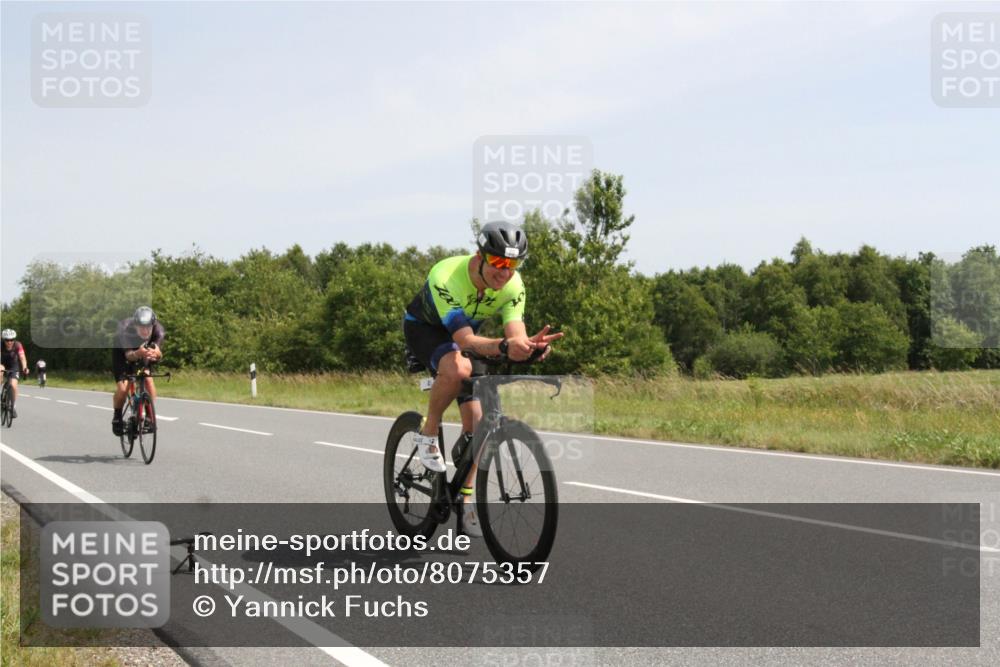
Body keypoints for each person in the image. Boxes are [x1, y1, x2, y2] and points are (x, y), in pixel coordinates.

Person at [403, 221, 562, 536]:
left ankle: (464, 498)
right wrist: (503, 346)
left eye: (513, 264)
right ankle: (428, 431)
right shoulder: (446, 276)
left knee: (480, 423)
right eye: (499, 262)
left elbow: (514, 332)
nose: (505, 272)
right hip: (426, 330)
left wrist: (528, 347)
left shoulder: (514, 285)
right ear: (480, 257)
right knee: (458, 369)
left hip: (469, 337)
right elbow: (464, 341)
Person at [111, 306, 164, 436]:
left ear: (153, 325)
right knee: (123, 389)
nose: (145, 331)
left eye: (148, 327)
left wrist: (157, 354)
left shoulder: (158, 331)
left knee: (148, 380)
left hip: (143, 352)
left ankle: (150, 416)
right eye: (141, 327)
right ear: (135, 326)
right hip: (123, 354)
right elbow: (129, 356)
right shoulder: (124, 329)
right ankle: (117, 417)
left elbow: (158, 352)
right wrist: (138, 353)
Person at [1, 328, 28, 418]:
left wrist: (24, 368)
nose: (9, 342)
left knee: (13, 385)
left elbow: (22, 357)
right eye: (7, 340)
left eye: (11, 339)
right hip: (2, 364)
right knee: (0, 369)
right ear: (3, 339)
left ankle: (12, 406)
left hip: (13, 365)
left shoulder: (18, 345)